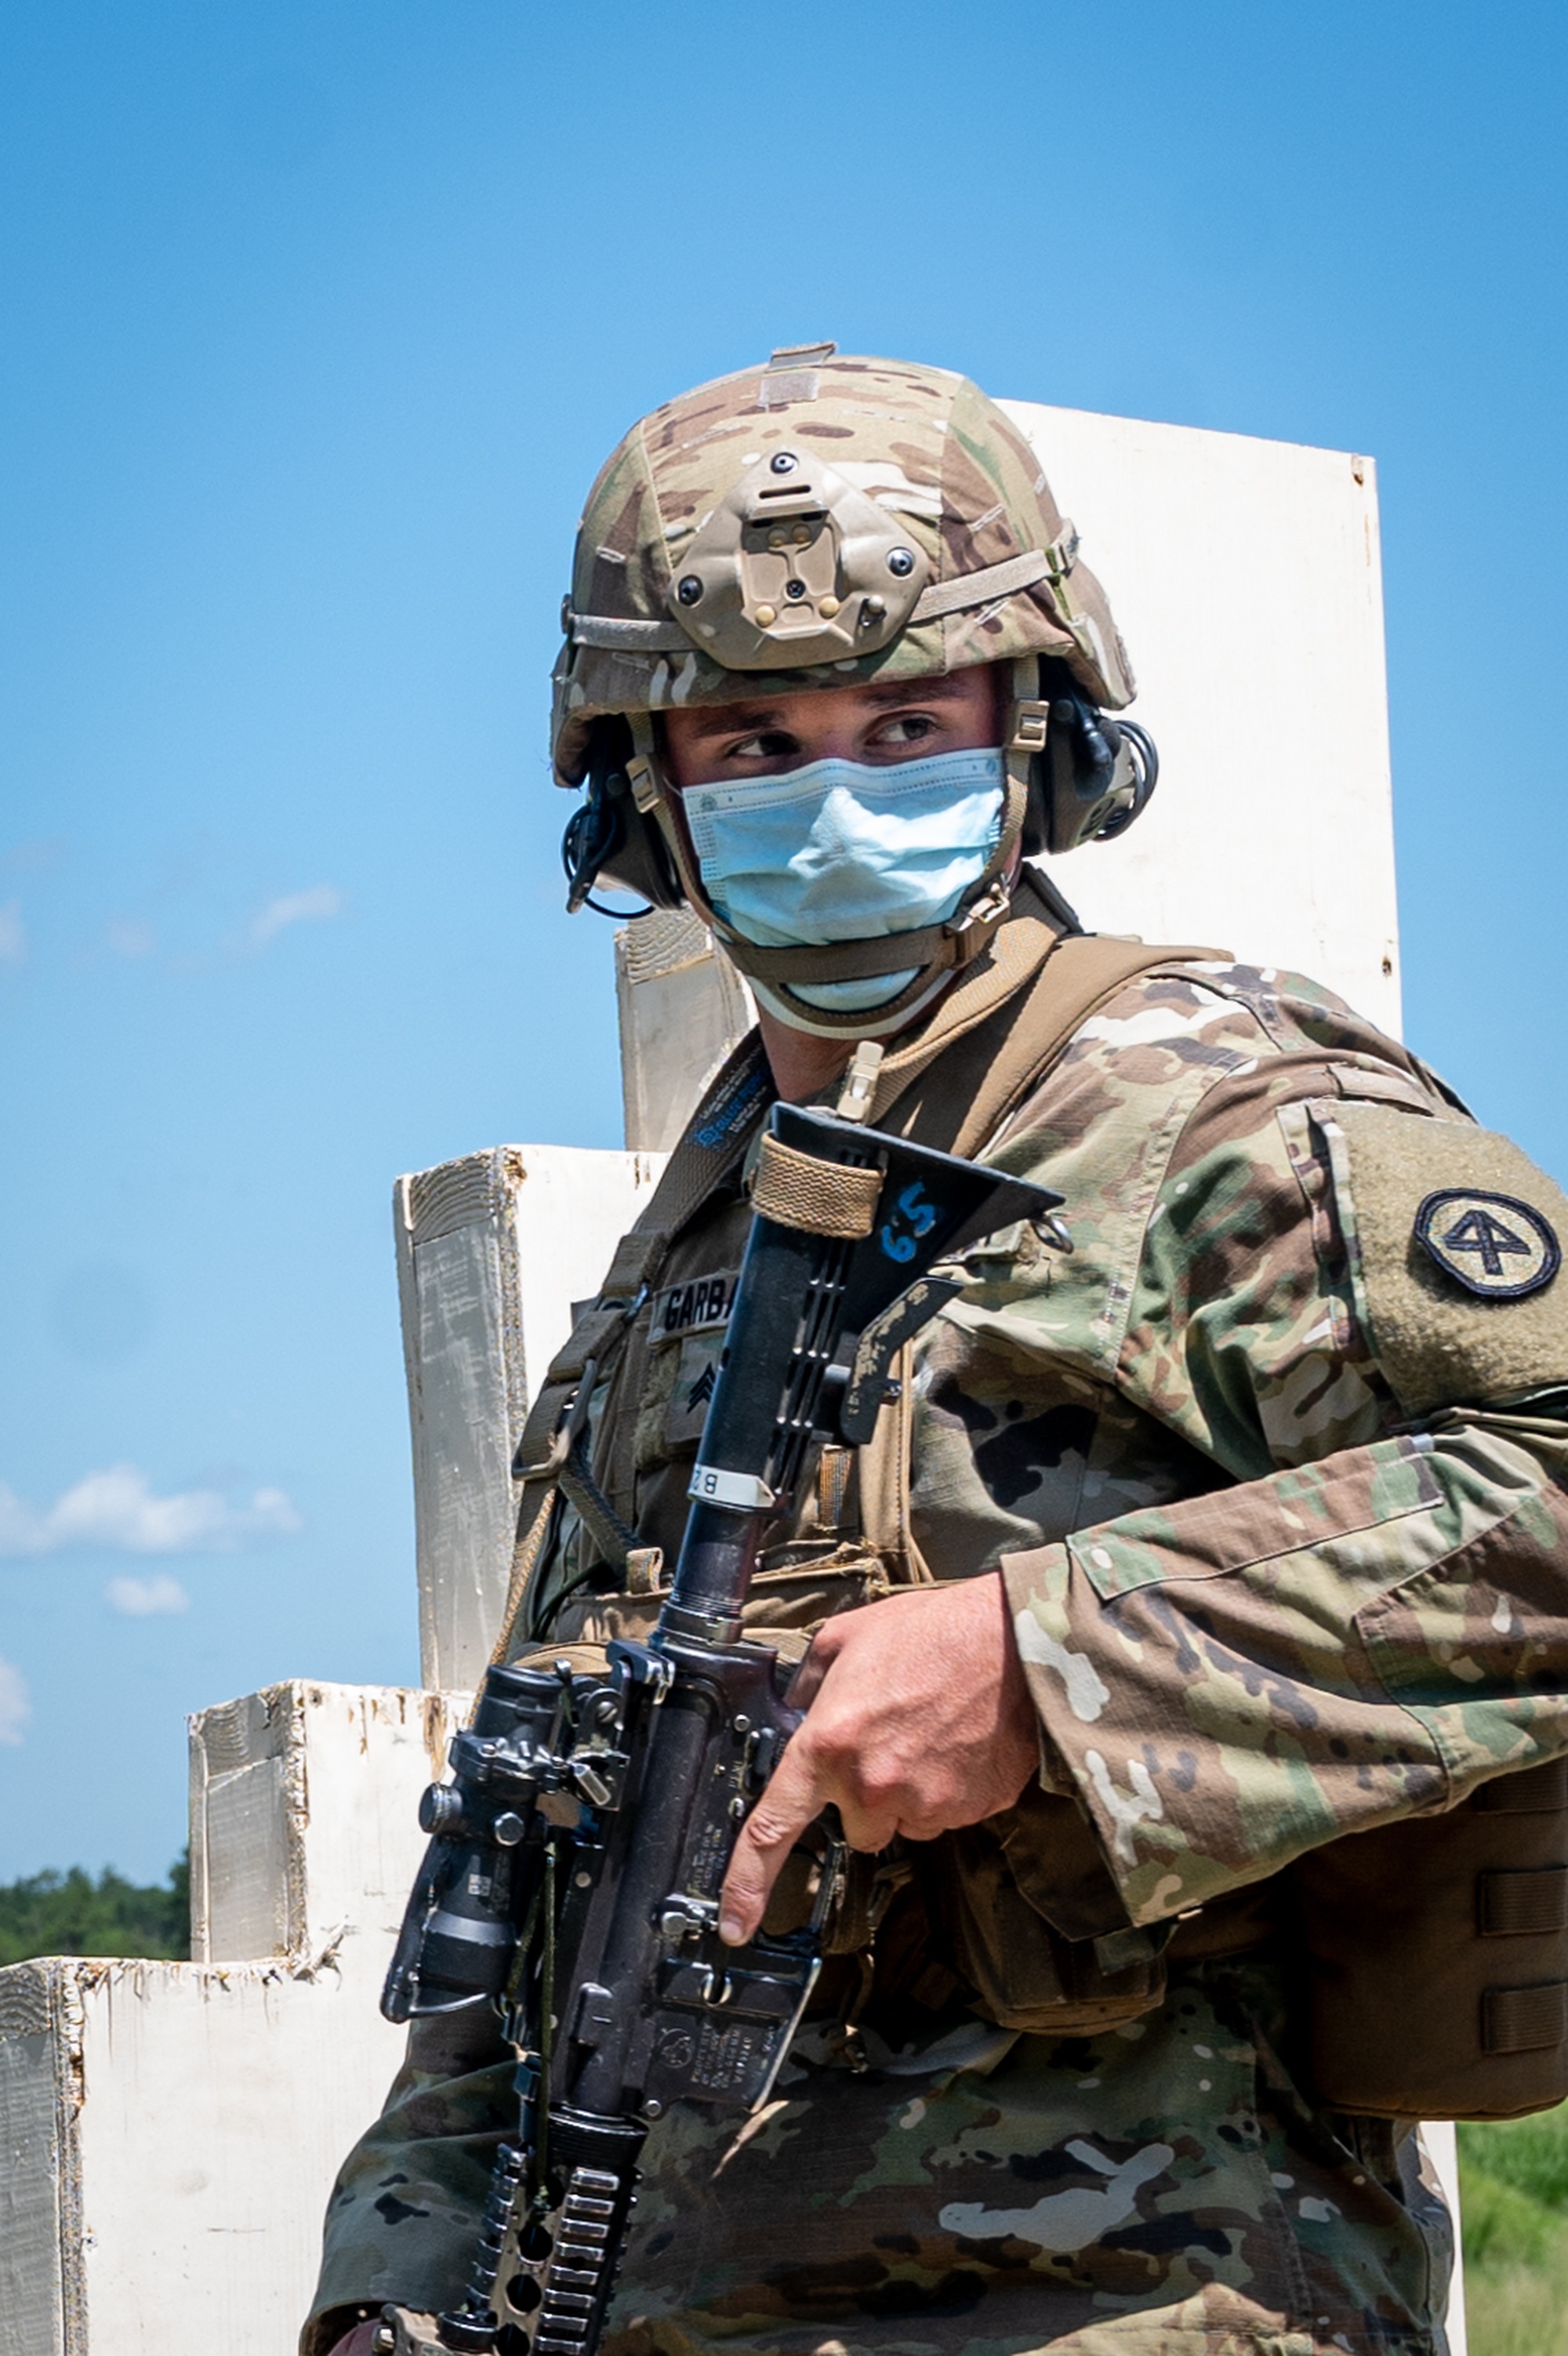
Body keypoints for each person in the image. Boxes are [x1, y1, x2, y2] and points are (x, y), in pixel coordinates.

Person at [306, 347, 1568, 2356]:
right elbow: (549, 1851)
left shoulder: (1200, 1103)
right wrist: (392, 2281)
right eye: (751, 742)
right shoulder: (702, 1223)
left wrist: (1038, 1660)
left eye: (905, 723)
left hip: (1126, 2304)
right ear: (647, 788)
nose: (829, 798)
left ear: (1037, 739)